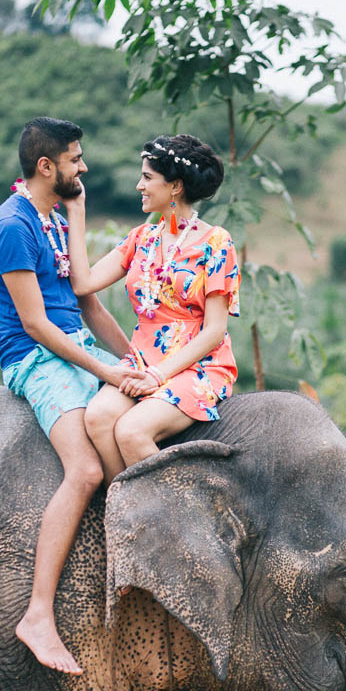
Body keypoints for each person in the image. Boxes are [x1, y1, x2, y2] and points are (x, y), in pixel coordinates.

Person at [0, 117, 146, 675]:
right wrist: (106, 369)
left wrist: (136, 364)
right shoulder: (12, 227)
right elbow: (35, 325)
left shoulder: (53, 217)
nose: (85, 167)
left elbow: (86, 303)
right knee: (85, 472)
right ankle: (38, 613)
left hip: (73, 344)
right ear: (46, 167)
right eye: (76, 159)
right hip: (35, 359)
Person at [65, 134, 240, 486]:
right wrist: (76, 210)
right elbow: (82, 283)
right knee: (98, 418)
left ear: (175, 187)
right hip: (142, 360)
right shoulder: (141, 238)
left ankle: (180, 522)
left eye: (147, 178)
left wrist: (159, 376)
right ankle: (128, 514)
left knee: (131, 431)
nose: (139, 185)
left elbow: (215, 330)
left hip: (196, 365)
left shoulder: (216, 242)